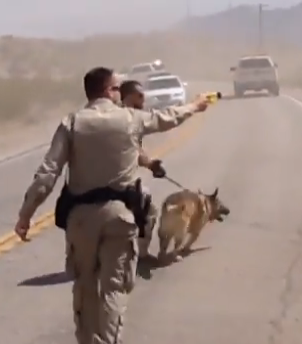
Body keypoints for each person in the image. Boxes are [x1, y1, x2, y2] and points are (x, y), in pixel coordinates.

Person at [13, 66, 209, 344]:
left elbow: (47, 174)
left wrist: (26, 215)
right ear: (107, 91)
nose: (121, 92)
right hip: (119, 217)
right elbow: (168, 117)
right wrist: (195, 105)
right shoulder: (130, 119)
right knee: (114, 289)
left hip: (80, 220)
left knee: (85, 288)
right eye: (118, 87)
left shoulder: (71, 123)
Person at [119, 79, 165, 260]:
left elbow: (135, 151)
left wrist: (152, 165)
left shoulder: (107, 115)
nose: (143, 102)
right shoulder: (129, 118)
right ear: (129, 97)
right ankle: (143, 254)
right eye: (140, 97)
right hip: (120, 183)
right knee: (150, 210)